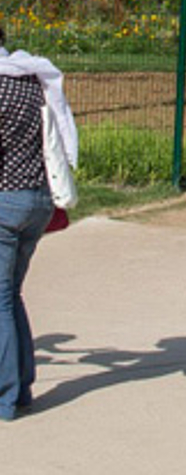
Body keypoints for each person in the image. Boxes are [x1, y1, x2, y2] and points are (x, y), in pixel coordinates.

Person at [0, 26, 77, 419]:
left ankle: (7, 397)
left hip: (5, 203)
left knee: (0, 298)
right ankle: (22, 388)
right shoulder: (30, 78)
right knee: (10, 294)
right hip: (37, 201)